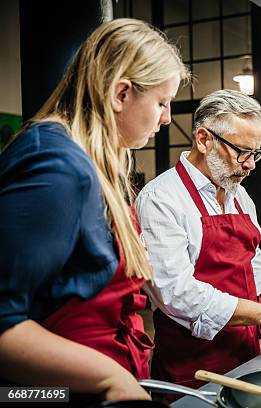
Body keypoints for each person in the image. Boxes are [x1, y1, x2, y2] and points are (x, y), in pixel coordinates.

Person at [0, 18, 190, 402]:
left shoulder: (93, 164)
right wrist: (111, 379)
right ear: (121, 94)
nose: (167, 118)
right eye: (161, 102)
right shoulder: (57, 165)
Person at [135, 89, 261, 390]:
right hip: (192, 365)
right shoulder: (161, 198)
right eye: (242, 151)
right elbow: (176, 293)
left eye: (256, 153)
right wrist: (259, 313)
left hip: (245, 353)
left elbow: (251, 262)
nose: (251, 165)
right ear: (204, 140)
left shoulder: (239, 195)